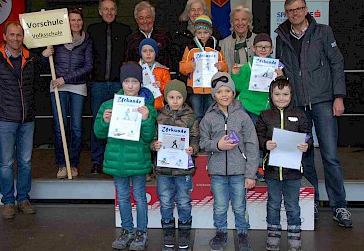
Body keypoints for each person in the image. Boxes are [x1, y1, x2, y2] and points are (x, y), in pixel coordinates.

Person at [275, 0, 352, 227]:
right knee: (303, 156)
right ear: (286, 13)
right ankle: (312, 203)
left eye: (298, 9)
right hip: (297, 105)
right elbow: (280, 68)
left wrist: (338, 97)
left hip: (323, 101)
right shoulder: (281, 36)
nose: (295, 13)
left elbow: (337, 64)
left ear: (306, 9)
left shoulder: (323, 32)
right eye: (290, 11)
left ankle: (340, 206)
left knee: (330, 155)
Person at [0, 21, 50, 219]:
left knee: (26, 161)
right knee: (6, 163)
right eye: (12, 35)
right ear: (4, 36)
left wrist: (46, 55)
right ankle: (8, 202)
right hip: (4, 120)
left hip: (27, 119)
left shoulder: (31, 59)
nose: (16, 38)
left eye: (19, 35)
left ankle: (24, 199)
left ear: (23, 37)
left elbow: (37, 85)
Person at [94, 61, 157, 250]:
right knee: (122, 197)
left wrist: (146, 119)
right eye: (127, 81)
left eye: (135, 82)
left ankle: (141, 232)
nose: (130, 85)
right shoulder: (109, 105)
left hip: (138, 159)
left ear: (140, 84)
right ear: (121, 83)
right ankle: (126, 230)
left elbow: (148, 137)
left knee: (139, 197)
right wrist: (105, 121)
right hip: (117, 160)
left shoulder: (146, 107)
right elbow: (98, 133)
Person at [199, 72, 259, 251]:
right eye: (219, 92)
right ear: (213, 95)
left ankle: (242, 234)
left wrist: (251, 174)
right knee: (219, 206)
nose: (224, 95)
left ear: (233, 93)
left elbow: (252, 145)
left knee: (240, 206)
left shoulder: (243, 116)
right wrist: (217, 144)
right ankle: (221, 233)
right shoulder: (208, 118)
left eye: (228, 91)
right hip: (217, 172)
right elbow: (202, 142)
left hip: (239, 172)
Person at [255, 77, 312, 251]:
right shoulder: (265, 115)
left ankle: (295, 235)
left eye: (285, 94)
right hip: (272, 171)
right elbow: (258, 136)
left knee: (292, 204)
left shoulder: (299, 114)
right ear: (271, 95)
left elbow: (308, 135)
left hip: (293, 171)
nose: (281, 98)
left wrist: (306, 145)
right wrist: (265, 143)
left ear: (291, 95)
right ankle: (273, 233)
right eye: (277, 94)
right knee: (273, 203)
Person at [42, 8, 93, 179]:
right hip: (57, 86)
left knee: (77, 128)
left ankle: (73, 164)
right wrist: (44, 54)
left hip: (77, 86)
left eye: (79, 20)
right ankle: (62, 164)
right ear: (67, 22)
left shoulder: (87, 41)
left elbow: (88, 67)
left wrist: (66, 78)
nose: (76, 23)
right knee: (60, 127)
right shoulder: (55, 39)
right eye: (72, 20)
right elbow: (43, 63)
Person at [150, 79, 200, 251]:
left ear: (184, 98)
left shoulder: (191, 117)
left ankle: (185, 234)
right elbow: (152, 139)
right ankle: (168, 234)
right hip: (163, 170)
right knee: (165, 202)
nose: (175, 100)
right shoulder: (159, 116)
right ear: (166, 98)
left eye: (179, 97)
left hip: (183, 169)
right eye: (171, 97)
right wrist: (154, 145)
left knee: (184, 201)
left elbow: (195, 139)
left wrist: (192, 148)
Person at [87, 0, 132, 175]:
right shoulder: (92, 30)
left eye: (112, 9)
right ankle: (97, 161)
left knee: (120, 124)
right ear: (99, 11)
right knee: (99, 122)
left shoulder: (124, 30)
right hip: (98, 84)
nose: (109, 12)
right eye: (105, 9)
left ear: (116, 11)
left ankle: (117, 161)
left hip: (117, 85)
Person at [231, 33, 283, 181]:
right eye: (260, 47)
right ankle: (245, 168)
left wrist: (280, 76)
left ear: (271, 49)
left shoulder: (277, 66)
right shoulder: (247, 66)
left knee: (261, 141)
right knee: (249, 139)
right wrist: (235, 74)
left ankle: (260, 168)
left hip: (265, 110)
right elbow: (239, 86)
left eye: (266, 47)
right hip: (247, 107)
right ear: (253, 48)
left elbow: (281, 88)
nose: (263, 49)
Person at [179, 15, 228, 122]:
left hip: (212, 88)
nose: (202, 35)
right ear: (195, 33)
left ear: (210, 32)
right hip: (195, 89)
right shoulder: (190, 48)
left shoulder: (216, 48)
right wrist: (189, 66)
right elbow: (182, 67)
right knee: (197, 114)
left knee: (210, 113)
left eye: (205, 32)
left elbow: (225, 67)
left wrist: (221, 66)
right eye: (199, 32)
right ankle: (198, 136)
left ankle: (209, 135)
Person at [170, 0, 222, 80]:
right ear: (188, 13)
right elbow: (175, 61)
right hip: (186, 79)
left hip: (210, 80)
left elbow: (220, 58)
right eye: (193, 10)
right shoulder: (178, 33)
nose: (196, 13)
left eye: (199, 9)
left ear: (205, 12)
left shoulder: (214, 34)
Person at [125, 1, 172, 68]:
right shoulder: (131, 40)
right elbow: (128, 65)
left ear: (153, 18)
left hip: (162, 77)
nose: (145, 21)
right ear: (136, 20)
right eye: (141, 18)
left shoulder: (164, 37)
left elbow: (171, 61)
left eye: (148, 17)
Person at [219, 5, 257, 72]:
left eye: (243, 19)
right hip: (230, 81)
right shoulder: (223, 44)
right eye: (236, 20)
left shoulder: (258, 41)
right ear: (232, 23)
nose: (240, 23)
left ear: (249, 22)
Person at [139, 38, 171, 111]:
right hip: (140, 106)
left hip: (157, 106)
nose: (148, 54)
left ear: (156, 53)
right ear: (140, 53)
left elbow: (169, 90)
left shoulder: (163, 70)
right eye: (144, 51)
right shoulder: (135, 69)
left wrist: (161, 86)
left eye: (151, 51)